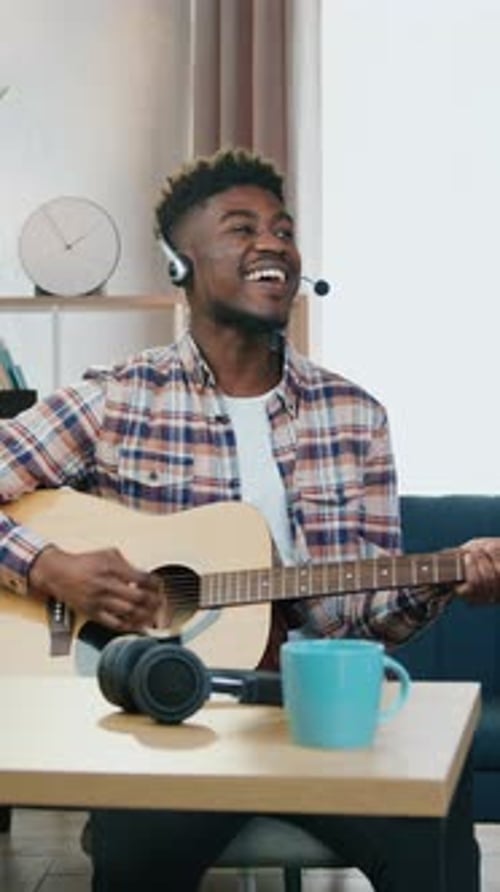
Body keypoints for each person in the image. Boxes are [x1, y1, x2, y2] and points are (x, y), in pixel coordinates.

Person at [0, 148, 498, 890]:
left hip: (320, 721)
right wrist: (51, 567)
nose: (273, 244)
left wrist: (444, 580)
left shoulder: (356, 416)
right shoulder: (116, 399)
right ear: (182, 264)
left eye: (284, 230)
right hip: (164, 721)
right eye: (241, 228)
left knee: (438, 830)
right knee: (136, 860)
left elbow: (360, 618)